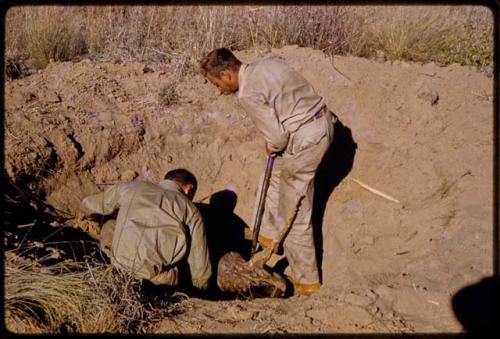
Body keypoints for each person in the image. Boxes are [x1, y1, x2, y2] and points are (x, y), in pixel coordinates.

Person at [200, 48, 337, 295]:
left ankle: (307, 280)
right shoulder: (268, 65)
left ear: (228, 74)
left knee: (294, 207)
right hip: (319, 123)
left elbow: (277, 137)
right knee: (273, 173)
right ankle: (266, 233)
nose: (218, 89)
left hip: (306, 137)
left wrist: (272, 145)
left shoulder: (247, 93)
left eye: (216, 82)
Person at [80, 168, 211, 293]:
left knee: (110, 224)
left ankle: (108, 262)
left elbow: (89, 203)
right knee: (184, 262)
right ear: (189, 188)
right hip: (156, 281)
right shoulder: (191, 210)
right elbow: (199, 264)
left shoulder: (131, 186)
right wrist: (201, 292)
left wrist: (88, 216)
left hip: (118, 268)